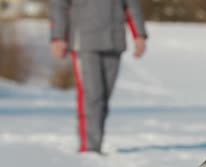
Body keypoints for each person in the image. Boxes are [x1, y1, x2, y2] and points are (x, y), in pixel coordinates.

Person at [50, 0, 148, 154]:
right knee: (92, 95)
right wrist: (58, 36)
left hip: (114, 40)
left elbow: (132, 6)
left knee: (104, 97)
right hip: (84, 41)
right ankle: (89, 147)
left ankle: (96, 143)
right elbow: (60, 6)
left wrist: (139, 34)